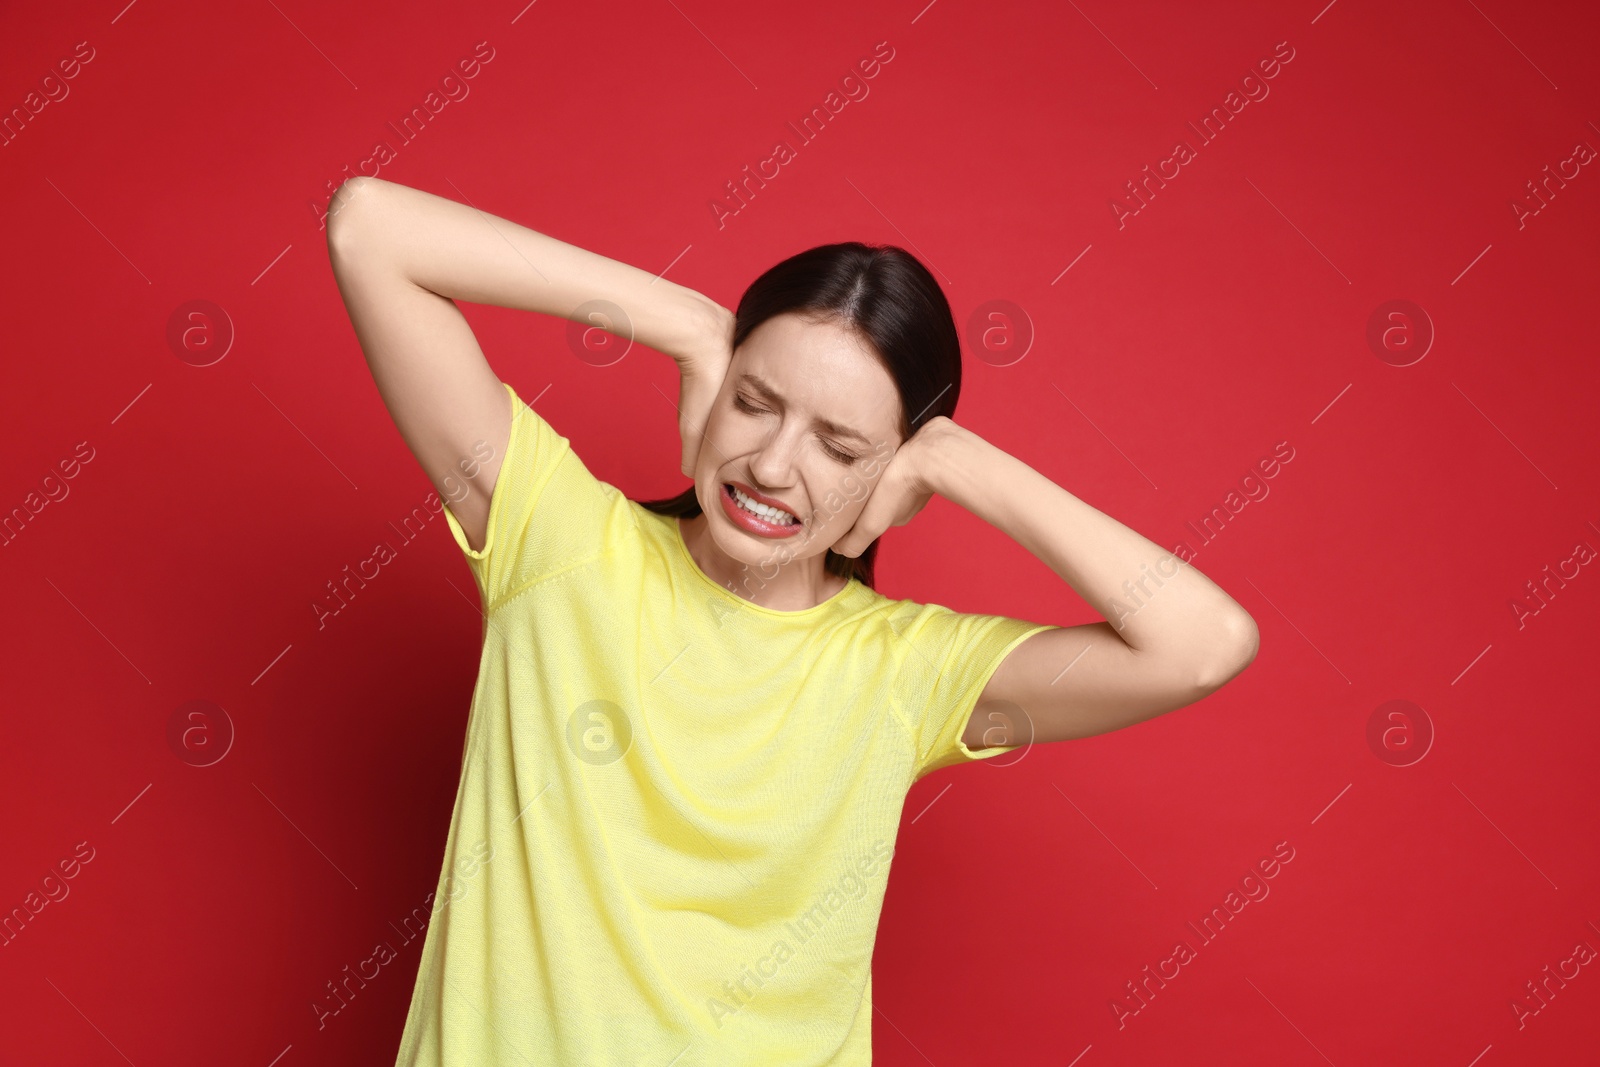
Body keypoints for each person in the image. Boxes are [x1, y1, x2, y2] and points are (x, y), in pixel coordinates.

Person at [325, 175, 1259, 1066]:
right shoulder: (559, 543)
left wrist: (957, 461)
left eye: (838, 445)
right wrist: (685, 321)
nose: (773, 466)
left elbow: (1203, 643)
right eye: (754, 402)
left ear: (894, 480)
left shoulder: (904, 672)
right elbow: (370, 227)